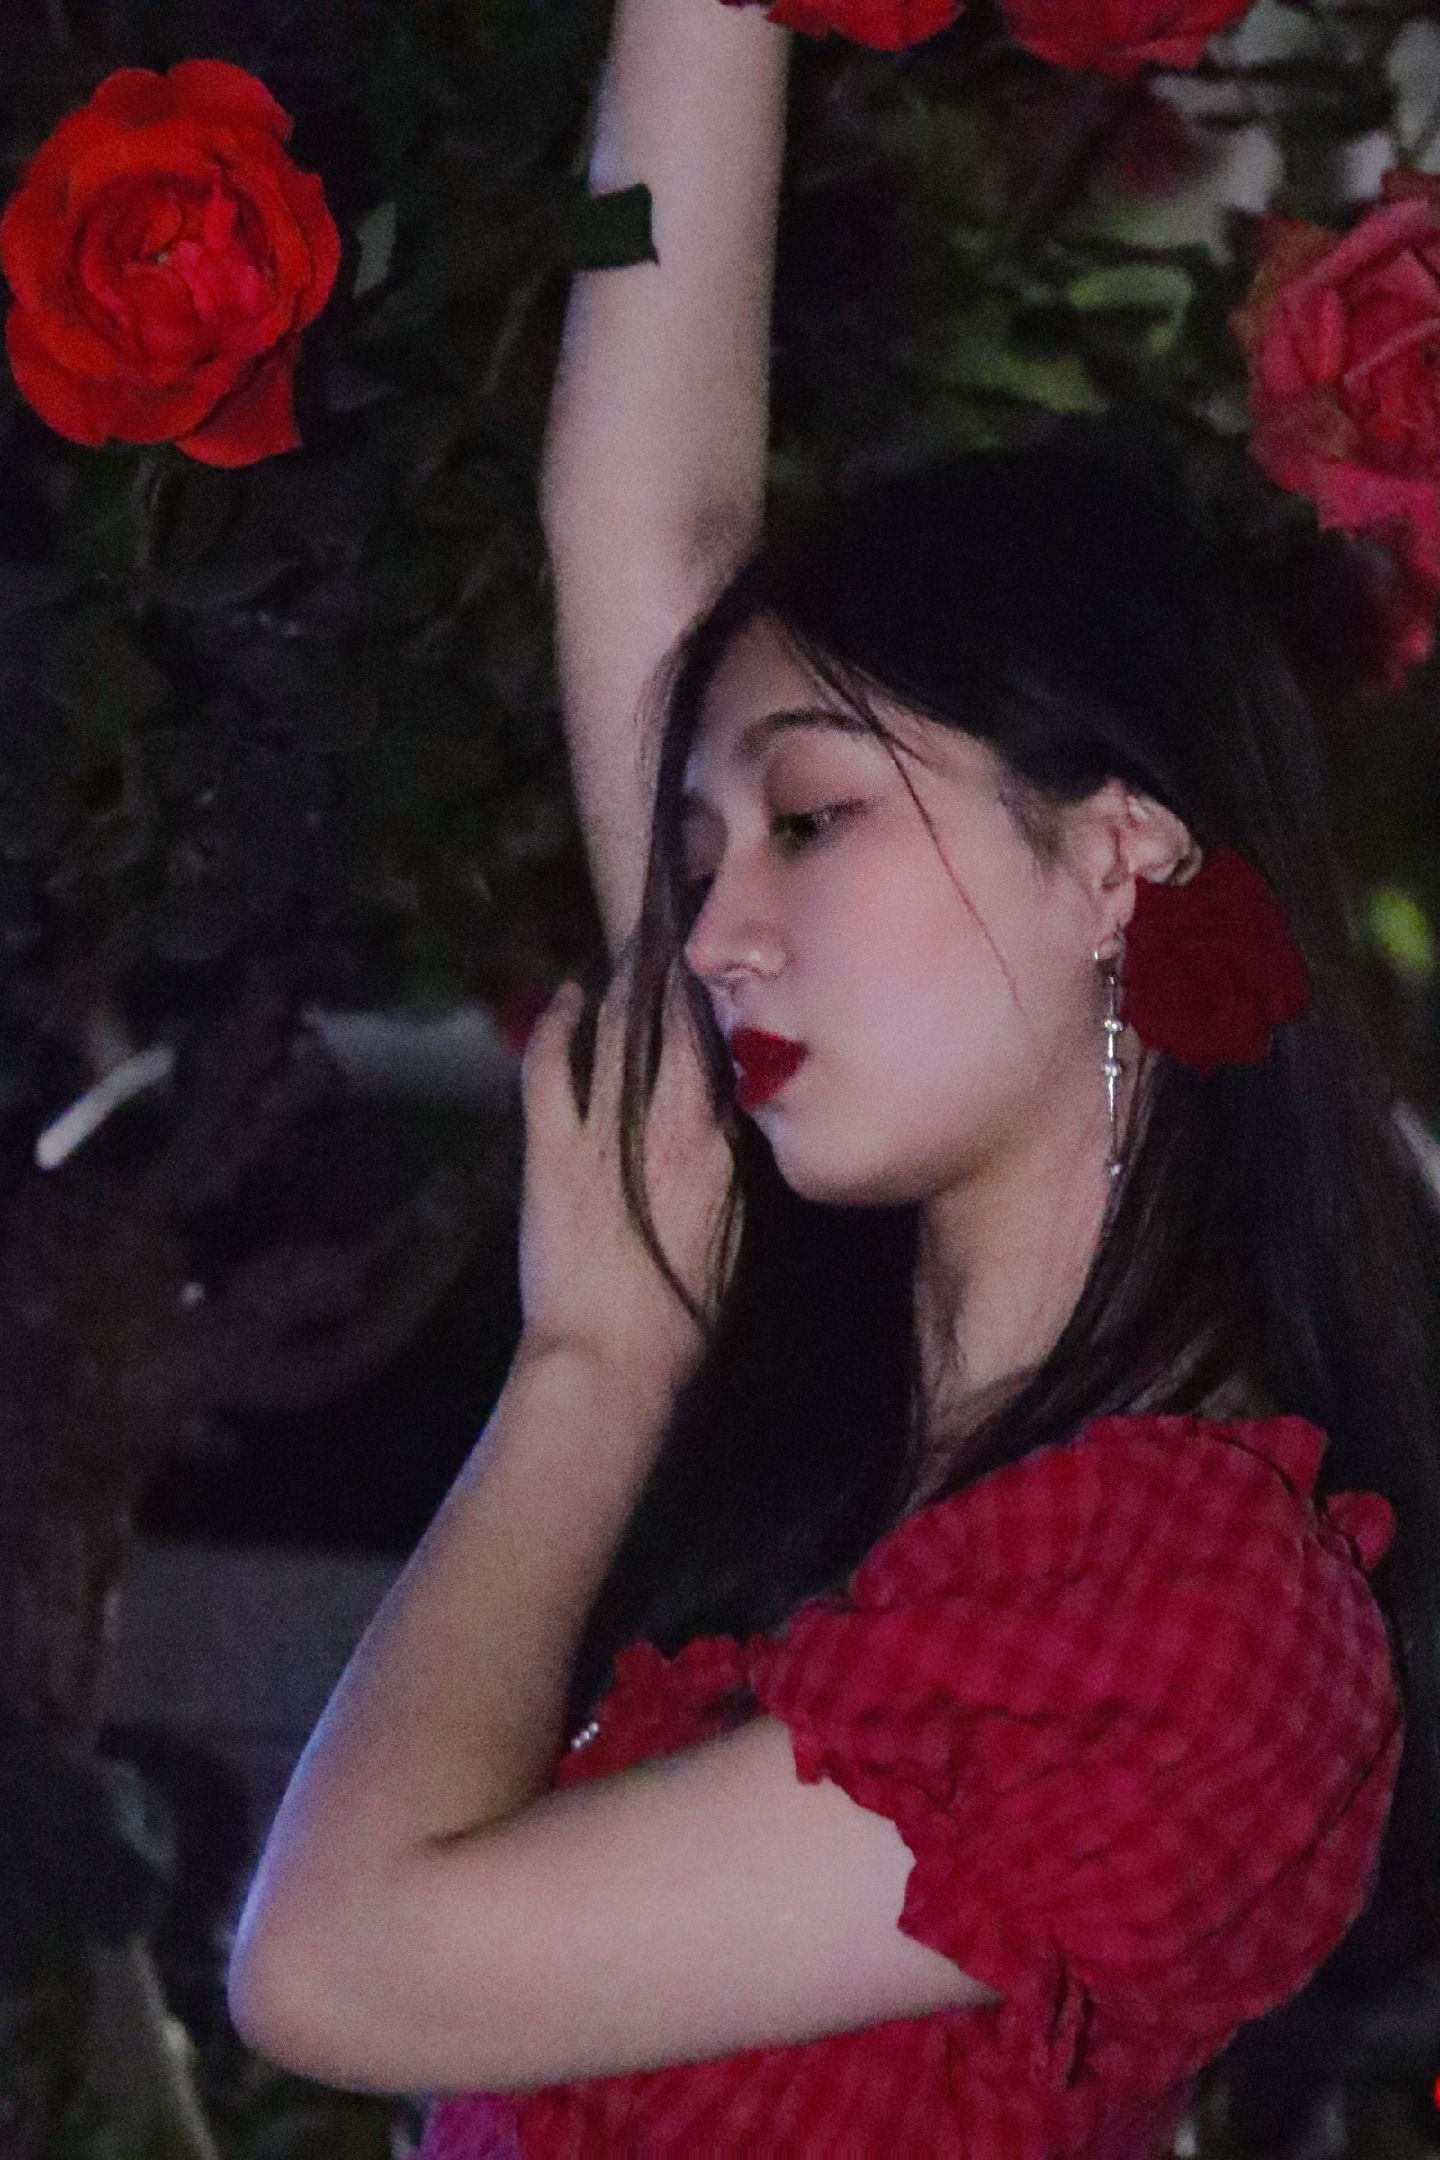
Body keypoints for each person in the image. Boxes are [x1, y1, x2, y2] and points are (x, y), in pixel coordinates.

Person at [225, 1, 1440, 2152]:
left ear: (1118, 860)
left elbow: (330, 1968)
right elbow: (650, 529)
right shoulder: (858, 1420)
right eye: (697, 854)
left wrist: (590, 1365)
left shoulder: (1201, 1613)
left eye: (805, 822)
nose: (710, 930)